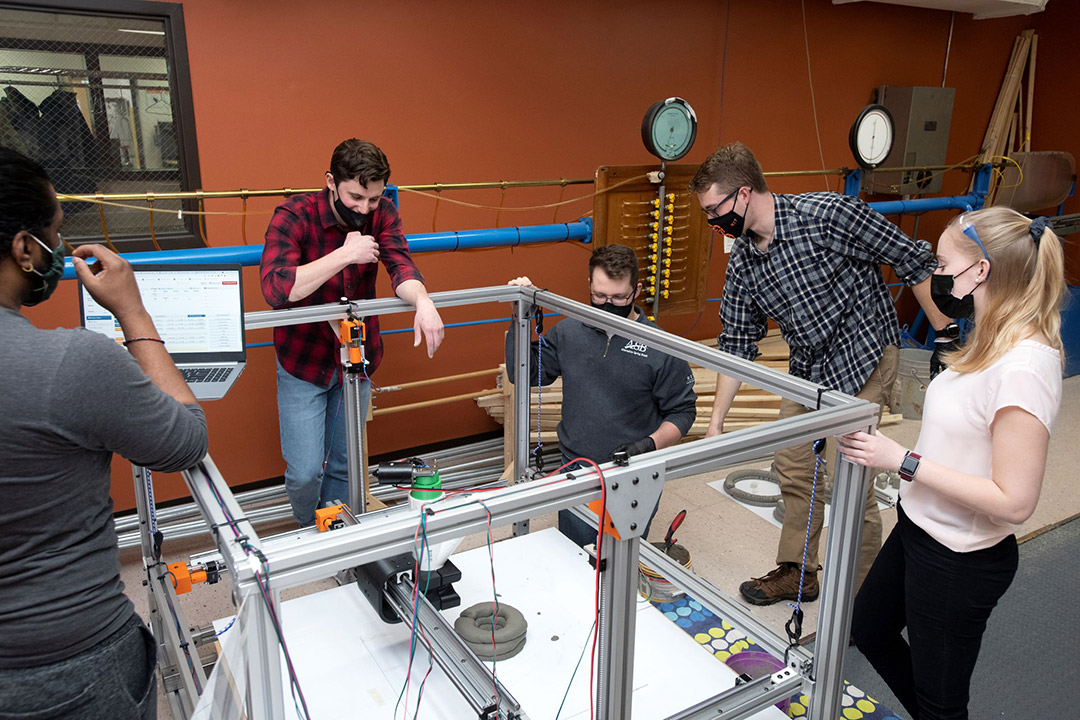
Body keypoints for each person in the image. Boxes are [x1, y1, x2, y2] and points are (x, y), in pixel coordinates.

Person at [690, 141, 954, 605]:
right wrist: (715, 425)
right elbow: (735, 345)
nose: (713, 221)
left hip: (865, 355)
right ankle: (799, 571)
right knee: (793, 465)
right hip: (808, 369)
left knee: (851, 478)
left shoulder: (829, 215)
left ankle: (862, 596)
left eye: (716, 209)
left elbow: (911, 258)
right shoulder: (745, 264)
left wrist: (946, 335)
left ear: (745, 193)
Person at [0, 147, 208, 718]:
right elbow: (185, 437)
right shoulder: (69, 362)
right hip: (69, 666)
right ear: (24, 248)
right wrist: (133, 312)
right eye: (54, 235)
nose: (58, 251)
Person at [841, 207, 1064, 720]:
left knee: (942, 703)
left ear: (980, 271)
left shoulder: (1025, 365)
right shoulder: (989, 337)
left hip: (958, 559)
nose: (935, 274)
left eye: (942, 262)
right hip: (918, 527)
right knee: (870, 628)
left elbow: (1015, 502)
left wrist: (903, 461)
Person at [260, 139, 444, 527]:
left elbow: (400, 266)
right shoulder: (294, 215)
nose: (364, 209)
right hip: (303, 364)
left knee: (345, 462)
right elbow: (278, 289)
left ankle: (336, 533)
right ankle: (309, 529)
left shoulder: (383, 213)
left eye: (373, 199)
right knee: (305, 471)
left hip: (357, 364)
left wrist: (424, 302)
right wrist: (345, 253)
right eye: (356, 197)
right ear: (331, 182)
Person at [505, 244, 697, 545]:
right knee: (576, 554)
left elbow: (683, 412)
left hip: (635, 472)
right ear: (590, 286)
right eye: (600, 296)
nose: (608, 305)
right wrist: (518, 316)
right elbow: (524, 373)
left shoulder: (658, 346)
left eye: (619, 297)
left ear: (637, 290)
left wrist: (648, 444)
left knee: (622, 559)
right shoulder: (569, 332)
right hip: (578, 469)